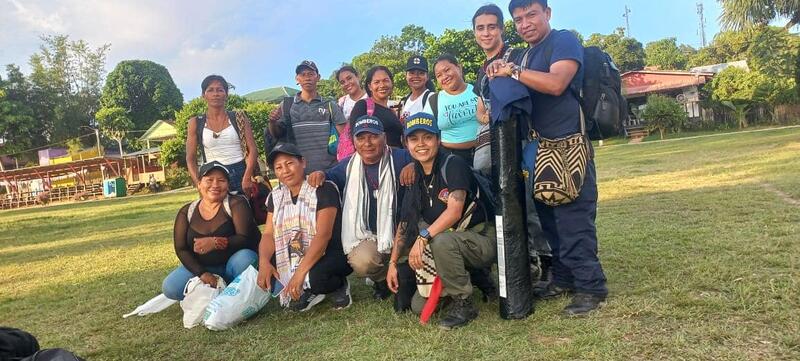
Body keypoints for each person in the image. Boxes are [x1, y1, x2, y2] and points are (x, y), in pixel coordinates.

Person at [487, 0, 608, 316]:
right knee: (550, 219)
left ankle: (590, 287)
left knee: (573, 219)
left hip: (568, 145)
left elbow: (556, 84)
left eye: (531, 15)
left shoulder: (563, 40)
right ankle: (564, 278)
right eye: (518, 19)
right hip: (539, 149)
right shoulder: (524, 54)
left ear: (547, 13)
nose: (524, 23)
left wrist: (512, 70)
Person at [386, 113, 496, 330]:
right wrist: (392, 263)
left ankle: (463, 302)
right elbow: (405, 222)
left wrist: (423, 238)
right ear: (406, 143)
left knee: (440, 240)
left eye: (427, 137)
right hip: (453, 242)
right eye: (414, 139)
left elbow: (454, 211)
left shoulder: (452, 164)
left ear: (438, 139)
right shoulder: (415, 174)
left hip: (481, 238)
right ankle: (470, 277)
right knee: (418, 306)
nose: (421, 144)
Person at [471, 3, 552, 289]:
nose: (486, 32)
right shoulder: (481, 73)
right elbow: (482, 111)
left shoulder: (517, 57)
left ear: (502, 29)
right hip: (496, 145)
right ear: (474, 33)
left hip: (524, 138)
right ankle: (521, 257)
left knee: (531, 200)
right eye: (480, 28)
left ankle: (545, 260)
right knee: (504, 197)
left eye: (492, 26)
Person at [307, 115, 416, 304]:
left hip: (407, 230)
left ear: (384, 137)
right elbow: (327, 176)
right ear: (354, 141)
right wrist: (319, 174)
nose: (367, 143)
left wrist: (416, 165)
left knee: (421, 252)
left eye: (373, 136)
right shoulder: (348, 166)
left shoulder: (402, 157)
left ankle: (409, 274)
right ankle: (382, 280)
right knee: (362, 261)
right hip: (371, 235)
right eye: (361, 138)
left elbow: (430, 161)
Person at [256, 143, 353, 311]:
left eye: (289, 163)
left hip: (329, 251)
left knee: (317, 278)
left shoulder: (323, 188)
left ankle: (338, 284)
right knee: (271, 274)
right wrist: (264, 262)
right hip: (294, 251)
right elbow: (268, 234)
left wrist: (299, 274)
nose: (285, 170)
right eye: (278, 167)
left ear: (303, 163)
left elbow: (323, 235)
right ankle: (307, 288)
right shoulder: (275, 197)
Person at [162, 161, 260, 301]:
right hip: (203, 267)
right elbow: (181, 248)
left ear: (228, 185)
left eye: (221, 180)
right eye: (209, 180)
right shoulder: (186, 211)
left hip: (232, 266)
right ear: (199, 184)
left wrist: (217, 242)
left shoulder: (236, 203)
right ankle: (218, 291)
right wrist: (202, 273)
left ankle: (233, 289)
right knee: (170, 287)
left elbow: (245, 238)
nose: (215, 185)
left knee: (246, 259)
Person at [268, 60, 347, 173]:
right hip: (299, 174)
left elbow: (345, 139)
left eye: (311, 74)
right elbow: (277, 134)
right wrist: (272, 122)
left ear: (318, 77)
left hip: (329, 172)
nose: (307, 78)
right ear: (297, 78)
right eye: (303, 74)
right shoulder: (286, 105)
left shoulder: (330, 105)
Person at [186, 75, 259, 194]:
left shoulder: (239, 117)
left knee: (244, 211)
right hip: (213, 176)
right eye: (210, 90)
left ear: (226, 94)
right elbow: (190, 158)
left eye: (220, 90)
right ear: (203, 95)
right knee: (218, 212)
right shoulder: (195, 122)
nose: (216, 94)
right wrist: (199, 183)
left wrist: (247, 176)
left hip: (241, 172)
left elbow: (253, 150)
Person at [423, 55, 486, 166]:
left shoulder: (480, 90)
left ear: (459, 68)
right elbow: (426, 135)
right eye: (439, 75)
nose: (444, 77)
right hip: (451, 160)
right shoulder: (433, 101)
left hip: (486, 153)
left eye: (447, 70)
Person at [349, 66, 404, 148]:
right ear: (370, 86)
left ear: (391, 83)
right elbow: (355, 138)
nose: (382, 85)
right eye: (376, 82)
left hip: (396, 158)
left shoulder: (392, 111)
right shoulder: (363, 106)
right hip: (375, 159)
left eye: (386, 80)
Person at [335, 65, 369, 160]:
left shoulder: (371, 98)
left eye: (349, 78)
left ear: (357, 76)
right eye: (342, 82)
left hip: (370, 147)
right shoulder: (341, 103)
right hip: (350, 153)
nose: (347, 83)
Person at [398, 55, 435, 124]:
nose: (416, 76)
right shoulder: (406, 100)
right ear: (406, 76)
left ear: (427, 77)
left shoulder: (432, 98)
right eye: (412, 73)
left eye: (421, 73)